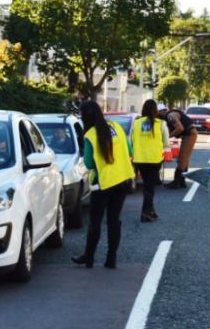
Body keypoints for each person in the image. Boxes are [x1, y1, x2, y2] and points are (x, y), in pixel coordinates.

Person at [71, 100, 134, 269]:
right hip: (122, 179)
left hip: (102, 182)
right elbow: (130, 151)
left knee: (95, 221)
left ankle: (89, 257)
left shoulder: (90, 135)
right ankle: (111, 259)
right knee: (114, 220)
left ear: (85, 117)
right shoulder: (116, 127)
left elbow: (89, 163)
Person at [131, 99, 171, 222]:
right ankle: (145, 213)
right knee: (150, 187)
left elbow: (132, 140)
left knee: (147, 185)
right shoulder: (161, 123)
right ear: (155, 110)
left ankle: (151, 211)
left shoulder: (136, 123)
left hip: (140, 159)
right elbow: (166, 143)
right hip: (155, 159)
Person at [165, 107, 197, 189]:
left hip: (189, 134)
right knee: (185, 159)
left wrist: (168, 136)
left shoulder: (170, 116)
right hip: (190, 133)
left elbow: (180, 128)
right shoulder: (172, 114)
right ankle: (182, 181)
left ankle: (177, 182)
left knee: (182, 159)